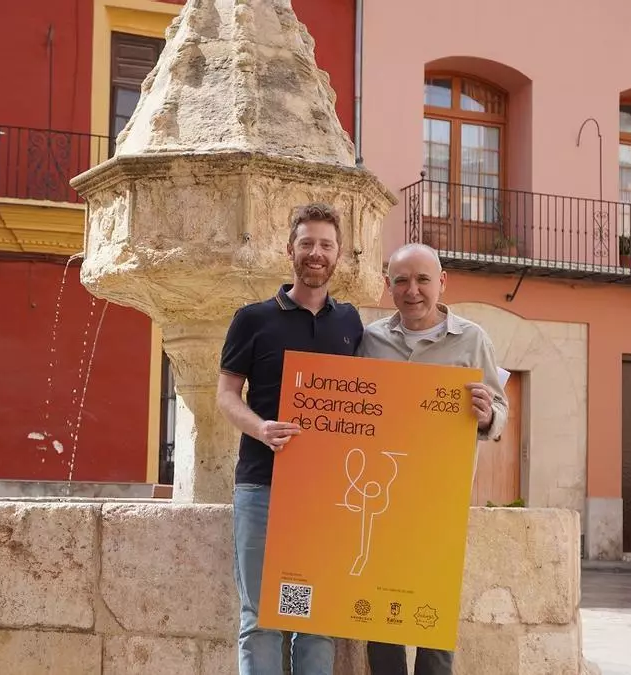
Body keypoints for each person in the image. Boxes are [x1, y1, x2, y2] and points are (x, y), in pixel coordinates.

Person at [216, 202, 363, 674]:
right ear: (289, 250)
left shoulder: (350, 323)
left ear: (338, 254)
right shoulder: (252, 319)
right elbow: (226, 394)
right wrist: (260, 428)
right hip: (262, 486)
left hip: (325, 494)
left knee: (315, 619)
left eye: (326, 245)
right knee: (260, 618)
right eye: (307, 243)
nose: (316, 253)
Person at [358, 242, 508, 675]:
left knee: (434, 622)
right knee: (380, 619)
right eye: (401, 281)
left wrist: (487, 416)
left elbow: (499, 408)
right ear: (387, 285)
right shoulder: (371, 340)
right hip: (383, 504)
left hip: (442, 505)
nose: (413, 290)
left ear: (442, 282)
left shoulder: (473, 339)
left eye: (423, 279)